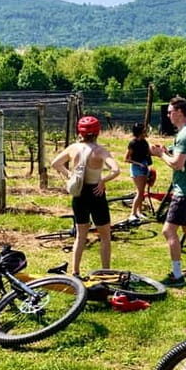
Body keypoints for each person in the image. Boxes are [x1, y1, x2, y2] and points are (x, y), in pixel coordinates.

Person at [51, 115, 120, 276]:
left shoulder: (73, 148)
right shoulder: (101, 151)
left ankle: (75, 272)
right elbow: (116, 170)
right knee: (105, 236)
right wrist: (103, 180)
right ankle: (106, 271)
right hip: (96, 194)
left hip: (79, 195)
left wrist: (69, 175)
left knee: (80, 236)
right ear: (98, 132)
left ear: (80, 131)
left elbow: (55, 163)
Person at [150, 96, 186, 287]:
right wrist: (166, 150)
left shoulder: (185, 135)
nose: (168, 114)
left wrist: (161, 154)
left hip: (184, 191)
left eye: (170, 111)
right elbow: (180, 157)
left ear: (180, 112)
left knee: (168, 230)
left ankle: (177, 275)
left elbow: (178, 164)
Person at [124, 122, 152, 221]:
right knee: (140, 192)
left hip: (145, 167)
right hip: (137, 168)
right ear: (140, 132)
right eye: (144, 131)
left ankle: (139, 212)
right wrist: (139, 164)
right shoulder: (133, 143)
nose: (145, 132)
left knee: (142, 192)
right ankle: (132, 213)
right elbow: (126, 159)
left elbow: (149, 152)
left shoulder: (144, 142)